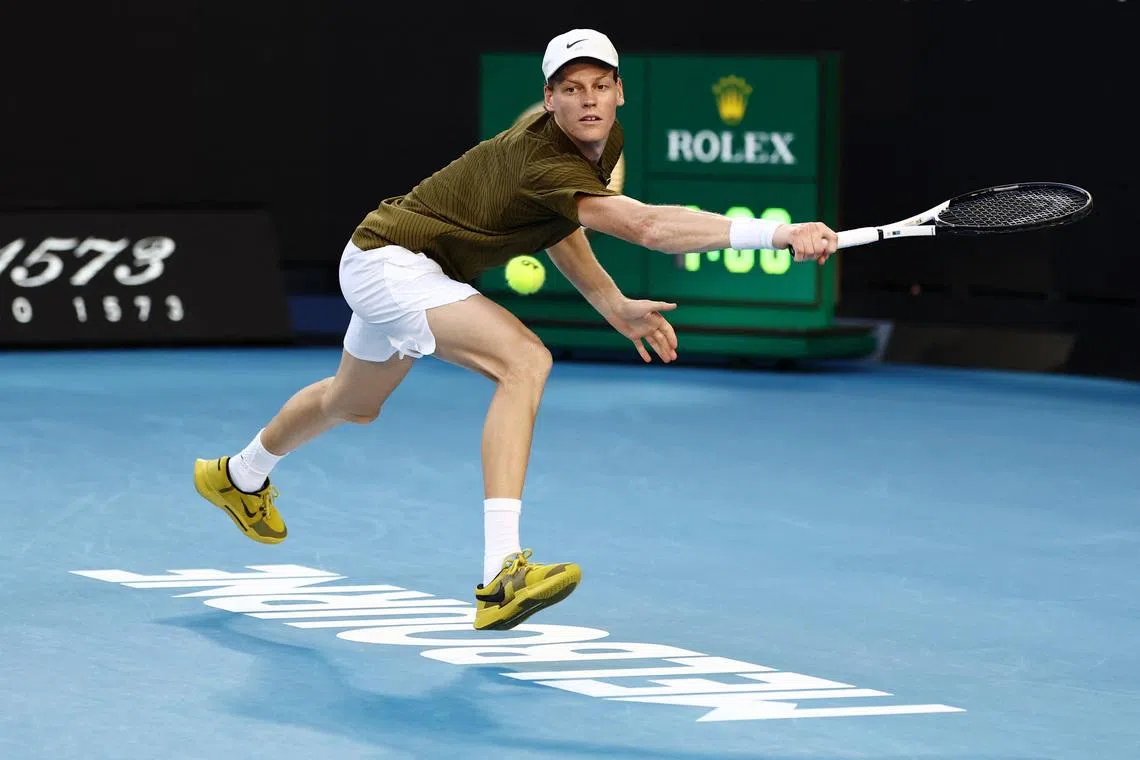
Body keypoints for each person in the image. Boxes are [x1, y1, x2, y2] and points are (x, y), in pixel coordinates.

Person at [193, 28, 839, 632]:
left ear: (619, 91)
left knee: (351, 404)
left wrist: (610, 301)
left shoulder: (599, 145)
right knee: (524, 361)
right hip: (395, 264)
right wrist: (777, 233)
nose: (588, 99)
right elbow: (648, 227)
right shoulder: (541, 156)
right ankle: (502, 575)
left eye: (599, 85)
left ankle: (238, 474)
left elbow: (559, 228)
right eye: (571, 88)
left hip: (387, 260)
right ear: (550, 97)